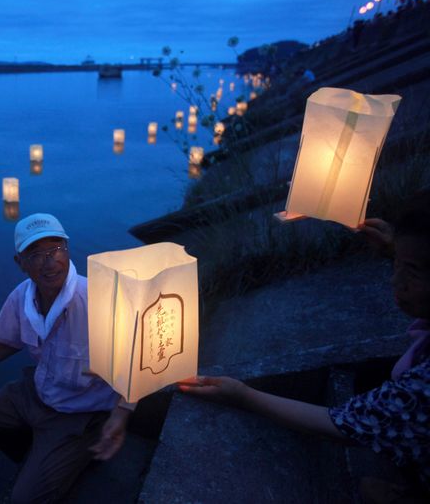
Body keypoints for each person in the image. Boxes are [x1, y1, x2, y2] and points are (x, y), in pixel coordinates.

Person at [179, 190, 430, 499]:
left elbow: (342, 424)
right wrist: (396, 249)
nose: (395, 281)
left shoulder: (422, 387)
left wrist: (244, 395)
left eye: (412, 271)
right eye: (397, 266)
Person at [0, 213, 134, 503]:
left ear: (67, 249)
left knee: (24, 499)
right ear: (20, 263)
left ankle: (79, 452)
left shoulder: (100, 298)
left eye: (56, 250)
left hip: (79, 413)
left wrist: (122, 414)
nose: (49, 261)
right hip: (35, 392)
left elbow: (137, 358)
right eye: (36, 254)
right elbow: (8, 342)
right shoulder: (21, 297)